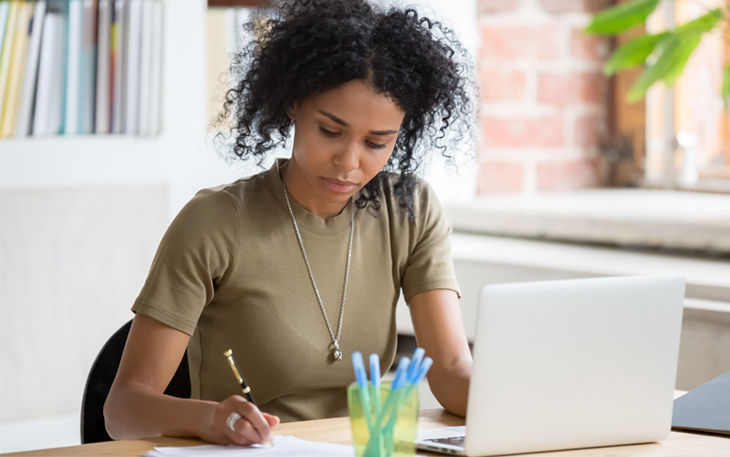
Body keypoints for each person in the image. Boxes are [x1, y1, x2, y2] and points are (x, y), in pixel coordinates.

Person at [105, 0, 476, 446]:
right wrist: (211, 420)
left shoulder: (410, 210)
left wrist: (536, 401)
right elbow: (124, 408)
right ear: (294, 104)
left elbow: (453, 372)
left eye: (378, 143)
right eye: (330, 131)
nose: (349, 163)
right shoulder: (216, 223)